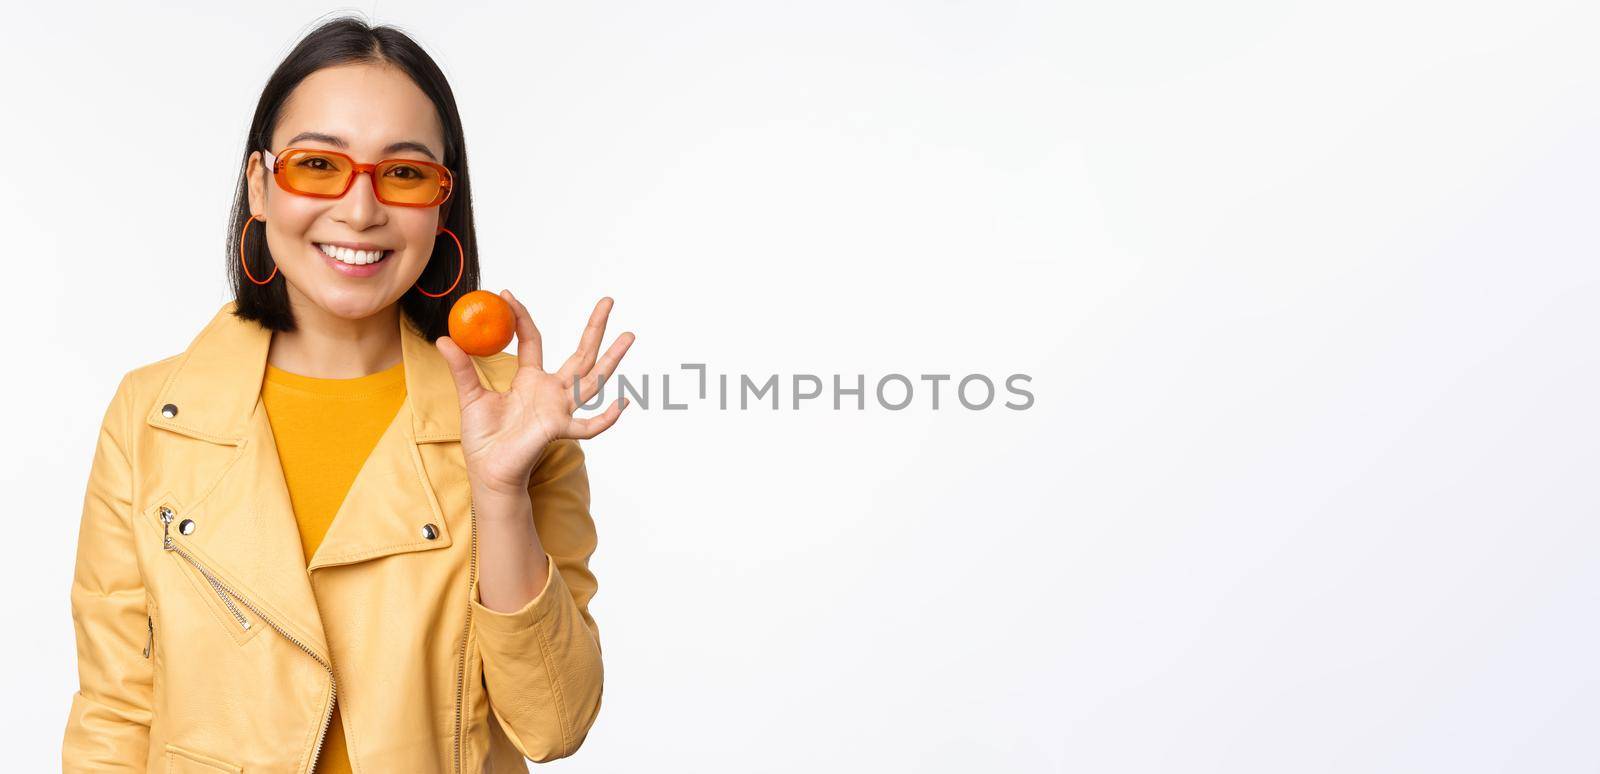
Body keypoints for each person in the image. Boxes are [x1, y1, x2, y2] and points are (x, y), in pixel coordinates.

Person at [60, 16, 633, 772]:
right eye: (319, 165)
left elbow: (553, 723)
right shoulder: (151, 416)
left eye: (403, 174)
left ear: (441, 204)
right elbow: (115, 714)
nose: (360, 211)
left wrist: (500, 492)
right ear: (260, 186)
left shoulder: (514, 421)